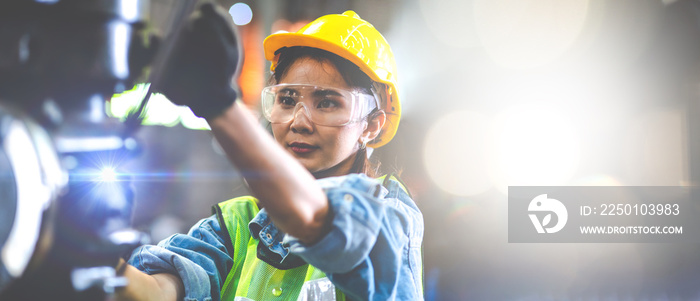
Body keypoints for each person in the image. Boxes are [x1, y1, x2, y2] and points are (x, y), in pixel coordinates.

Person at [116, 3, 423, 301]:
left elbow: (315, 220)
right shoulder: (235, 225)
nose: (299, 122)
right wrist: (87, 253)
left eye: (328, 102)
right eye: (287, 99)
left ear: (371, 125)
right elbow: (158, 293)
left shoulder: (389, 216)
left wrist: (218, 105)